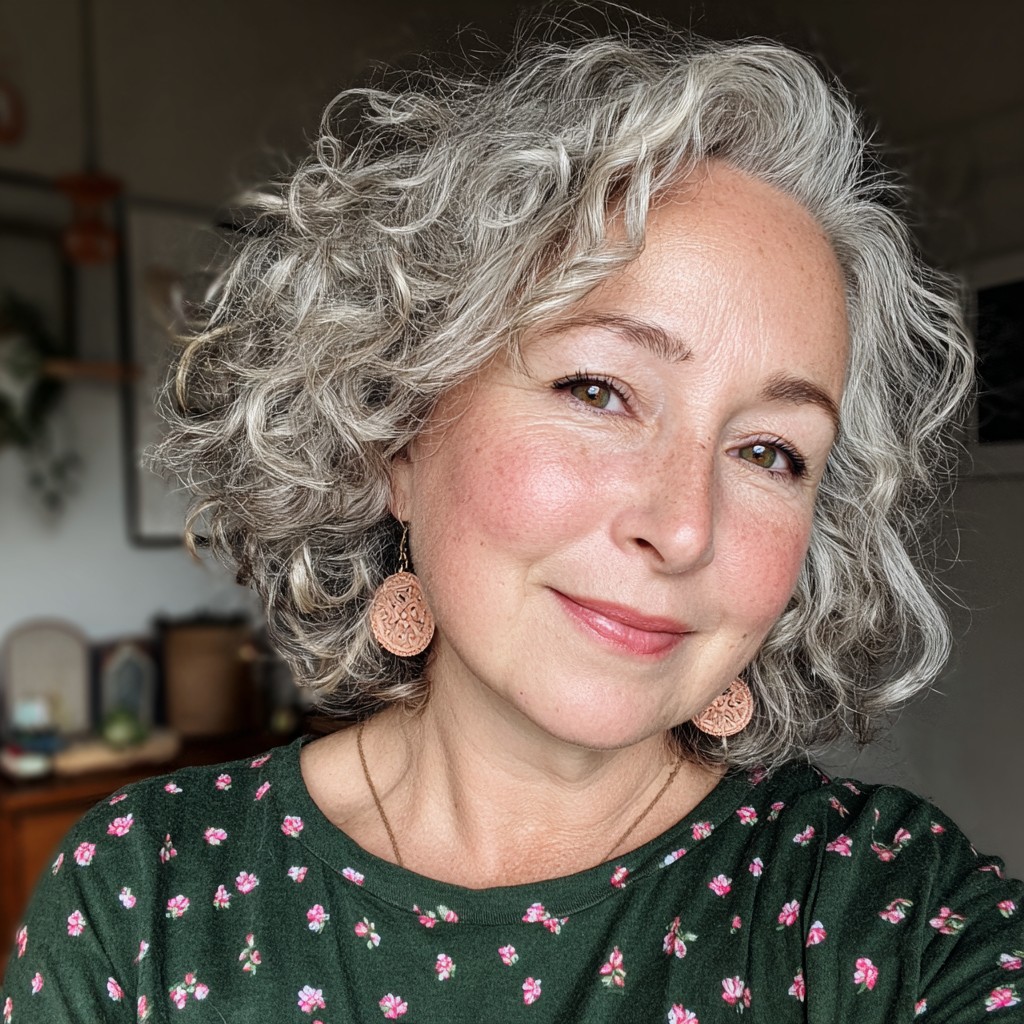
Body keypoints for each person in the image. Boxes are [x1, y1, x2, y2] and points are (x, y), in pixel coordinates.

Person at [4, 17, 1022, 1023]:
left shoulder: (890, 918)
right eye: (598, 391)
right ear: (397, 432)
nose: (683, 529)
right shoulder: (142, 897)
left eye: (769, 452)